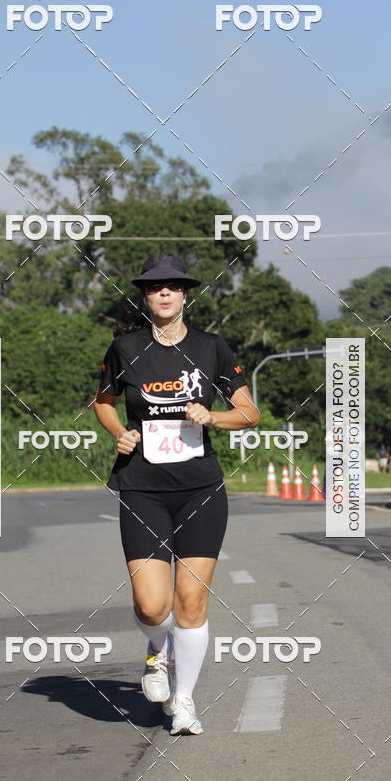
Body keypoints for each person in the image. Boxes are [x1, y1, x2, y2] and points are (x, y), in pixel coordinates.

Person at [94, 255, 260, 735]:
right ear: (145, 297)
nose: (164, 294)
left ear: (185, 294)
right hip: (142, 487)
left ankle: (184, 701)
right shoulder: (125, 347)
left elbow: (249, 413)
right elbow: (103, 404)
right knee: (151, 606)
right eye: (154, 288)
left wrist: (214, 417)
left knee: (191, 601)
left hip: (200, 489)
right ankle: (156, 649)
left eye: (173, 287)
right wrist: (118, 433)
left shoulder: (212, 348)